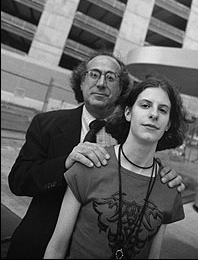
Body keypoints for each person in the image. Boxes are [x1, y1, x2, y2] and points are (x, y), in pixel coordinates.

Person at [7, 52, 185, 259]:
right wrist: (65, 163)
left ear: (121, 89)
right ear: (81, 82)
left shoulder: (129, 136)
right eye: (94, 75)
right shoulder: (46, 124)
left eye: (110, 78)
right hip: (38, 246)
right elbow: (18, 181)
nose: (101, 83)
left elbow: (140, 168)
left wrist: (162, 176)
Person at [44, 76, 187, 259]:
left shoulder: (169, 186)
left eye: (163, 110)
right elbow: (56, 248)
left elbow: (153, 256)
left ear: (168, 124)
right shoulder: (90, 165)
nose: (154, 114)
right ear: (128, 113)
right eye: (145, 105)